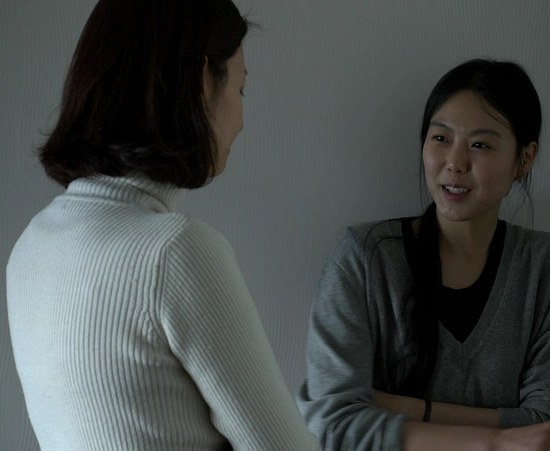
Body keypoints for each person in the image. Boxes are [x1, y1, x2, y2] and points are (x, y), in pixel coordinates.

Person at [5, 0, 319, 449]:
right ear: (202, 82)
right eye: (241, 89)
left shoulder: (32, 244)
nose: (242, 120)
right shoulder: (175, 250)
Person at [298, 59, 550, 450]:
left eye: (480, 144)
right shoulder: (364, 256)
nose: (455, 163)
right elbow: (335, 424)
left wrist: (402, 408)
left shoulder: (547, 265)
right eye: (440, 138)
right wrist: (496, 442)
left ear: (524, 159)